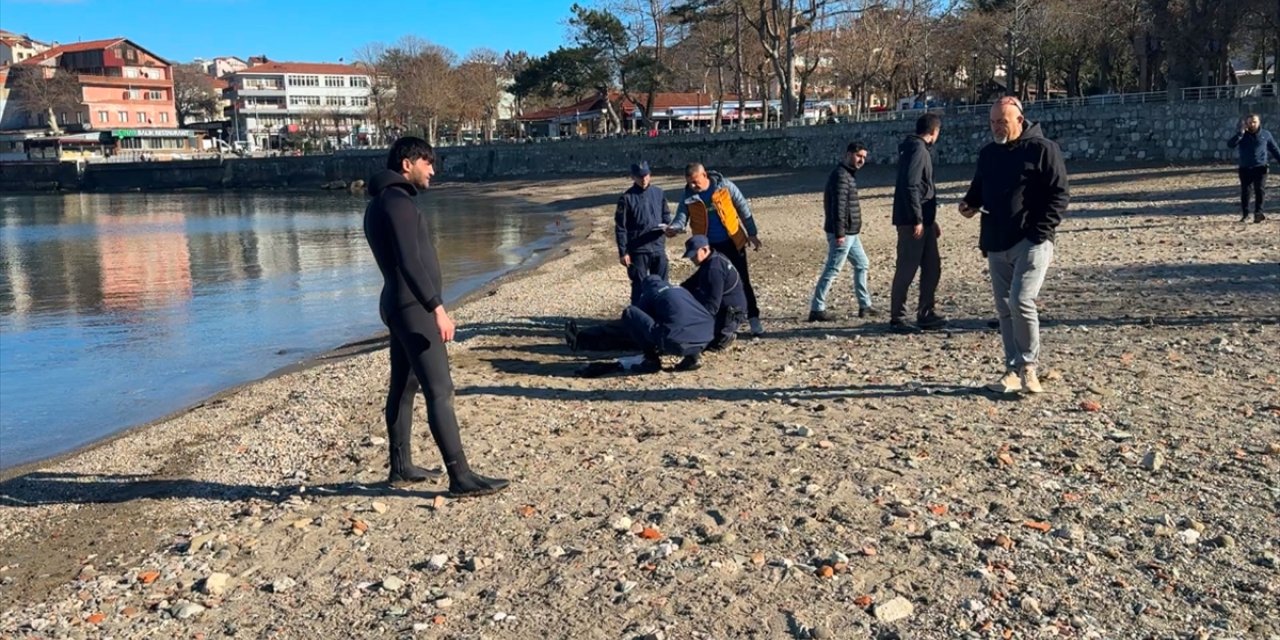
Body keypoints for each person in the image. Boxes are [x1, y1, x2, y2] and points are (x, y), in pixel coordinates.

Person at [363, 136, 509, 498]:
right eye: (427, 162)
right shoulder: (398, 204)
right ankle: (461, 476)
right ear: (407, 164)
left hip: (397, 304)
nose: (433, 169)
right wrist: (437, 308)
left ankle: (401, 467)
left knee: (405, 385)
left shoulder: (382, 202)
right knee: (440, 390)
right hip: (413, 308)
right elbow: (409, 262)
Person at [958, 96, 1069, 395]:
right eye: (993, 122)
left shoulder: (1043, 149)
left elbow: (1059, 195)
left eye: (1002, 122)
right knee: (1004, 308)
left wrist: (1039, 232)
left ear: (1019, 120)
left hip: (1031, 241)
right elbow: (978, 189)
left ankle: (1029, 367)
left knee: (1021, 300)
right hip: (996, 241)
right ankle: (1012, 369)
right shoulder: (988, 154)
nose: (997, 127)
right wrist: (968, 204)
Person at [667, 163, 765, 336]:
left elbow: (743, 208)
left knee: (743, 281)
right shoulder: (688, 196)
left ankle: (753, 319)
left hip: (733, 242)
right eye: (689, 183)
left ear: (704, 175)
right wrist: (673, 228)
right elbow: (681, 218)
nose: (692, 186)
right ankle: (716, 321)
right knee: (711, 284)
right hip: (708, 249)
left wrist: (752, 233)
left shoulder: (725, 187)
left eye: (695, 182)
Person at [889, 113, 946, 332]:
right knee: (907, 268)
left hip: (924, 219)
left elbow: (921, 188)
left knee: (932, 267)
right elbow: (911, 185)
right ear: (934, 132)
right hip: (912, 220)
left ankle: (926, 312)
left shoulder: (914, 149)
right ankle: (898, 317)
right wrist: (917, 219)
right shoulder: (918, 150)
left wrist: (930, 220)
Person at [809, 142, 877, 321]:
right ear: (848, 154)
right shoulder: (841, 176)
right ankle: (817, 308)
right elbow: (838, 207)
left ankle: (865, 305)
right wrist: (839, 233)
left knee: (862, 264)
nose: (861, 160)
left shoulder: (848, 175)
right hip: (843, 233)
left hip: (851, 233)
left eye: (863, 157)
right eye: (858, 156)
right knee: (832, 269)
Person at [622, 275, 715, 372]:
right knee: (684, 318)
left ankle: (651, 361)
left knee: (630, 312)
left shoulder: (651, 292)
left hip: (675, 343)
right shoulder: (682, 290)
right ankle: (693, 358)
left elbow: (640, 318)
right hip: (705, 339)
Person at [615, 161, 672, 302]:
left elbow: (666, 215)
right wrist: (623, 252)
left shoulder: (659, 193)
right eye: (640, 176)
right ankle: (637, 315)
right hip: (638, 249)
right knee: (639, 286)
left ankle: (663, 315)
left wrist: (668, 226)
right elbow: (620, 227)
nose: (644, 179)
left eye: (646, 175)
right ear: (633, 177)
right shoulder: (626, 198)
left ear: (650, 174)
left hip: (658, 246)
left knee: (663, 285)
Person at [680, 235, 747, 350]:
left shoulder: (714, 268)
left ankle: (726, 334)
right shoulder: (711, 260)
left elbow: (712, 305)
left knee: (711, 345)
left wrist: (696, 323)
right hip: (726, 306)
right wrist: (676, 292)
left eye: (694, 255)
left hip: (731, 311)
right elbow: (690, 284)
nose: (692, 259)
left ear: (705, 250)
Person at [1227, 114, 1280, 223]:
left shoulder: (1266, 134)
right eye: (1250, 122)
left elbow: (1274, 149)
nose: (1252, 124)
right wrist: (1240, 133)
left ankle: (1258, 213)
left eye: (1254, 122)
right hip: (1245, 168)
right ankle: (1245, 214)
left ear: (1259, 122)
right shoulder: (1242, 135)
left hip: (1261, 167)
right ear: (1246, 123)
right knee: (1246, 192)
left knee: (1260, 190)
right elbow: (1231, 144)